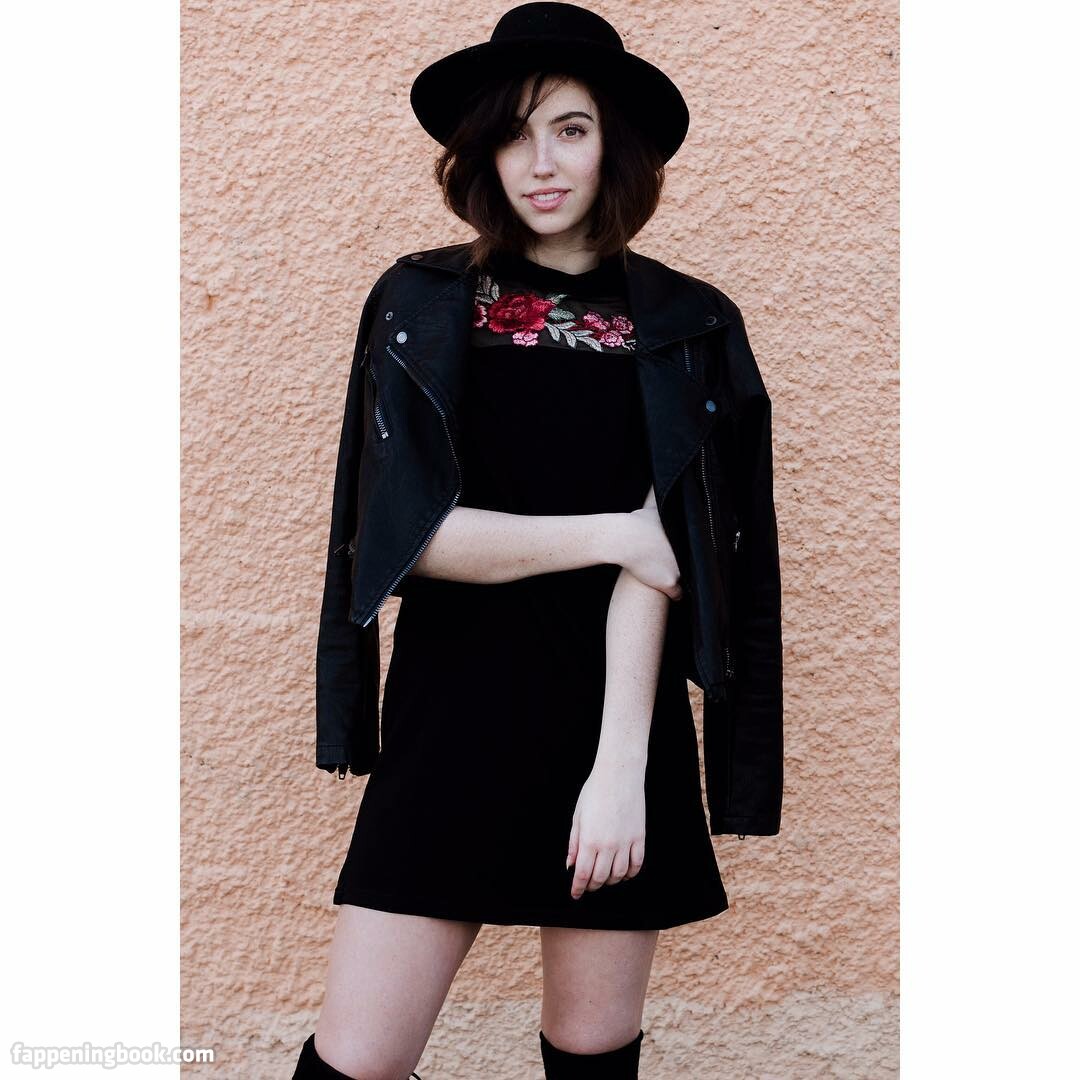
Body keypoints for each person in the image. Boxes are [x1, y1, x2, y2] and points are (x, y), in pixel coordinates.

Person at [291, 4, 783, 1078]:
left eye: (570, 129)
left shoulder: (685, 323)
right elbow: (405, 542)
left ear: (615, 146)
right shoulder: (421, 303)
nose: (541, 162)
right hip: (450, 716)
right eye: (514, 135)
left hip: (614, 717)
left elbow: (663, 569)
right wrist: (611, 531)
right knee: (357, 1059)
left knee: (592, 1052)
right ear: (482, 153)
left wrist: (619, 771)